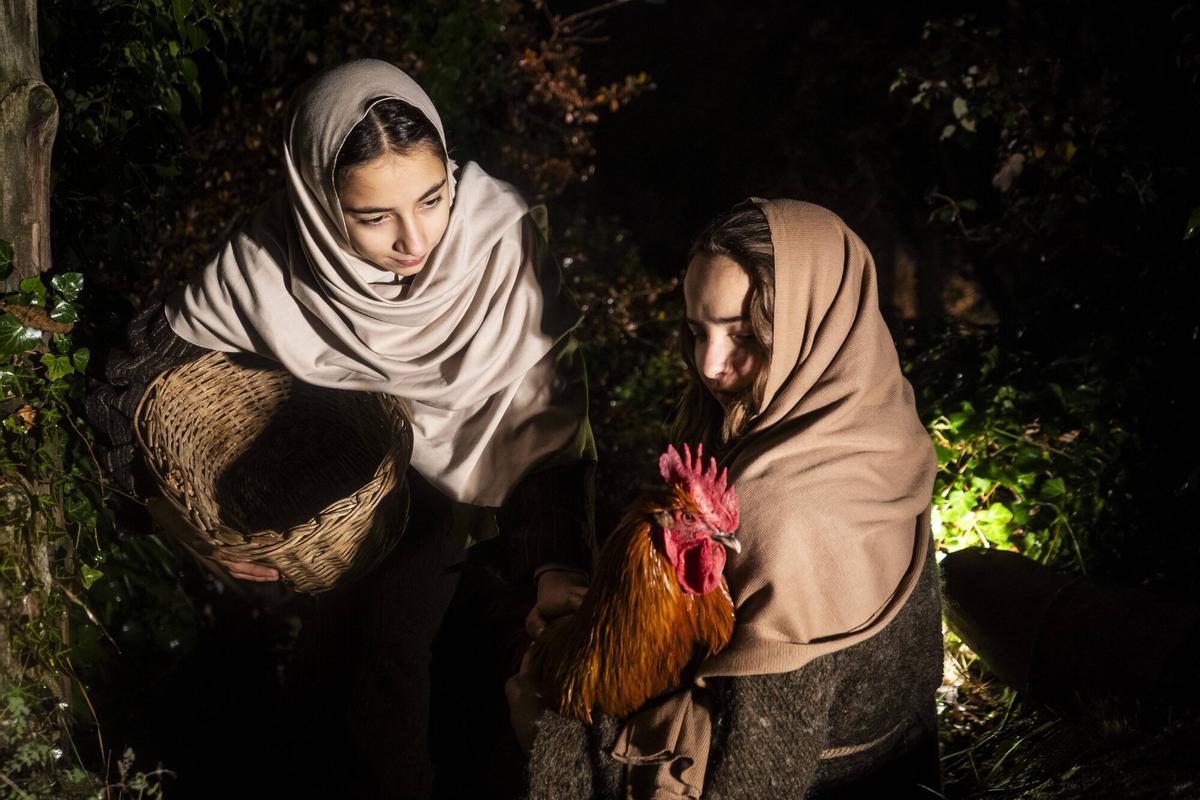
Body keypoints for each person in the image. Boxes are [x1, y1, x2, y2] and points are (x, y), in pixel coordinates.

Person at [87, 59, 595, 797]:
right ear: (320, 205)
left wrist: (554, 564)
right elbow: (129, 383)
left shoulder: (500, 241)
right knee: (340, 691)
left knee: (420, 686)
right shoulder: (266, 261)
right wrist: (175, 520)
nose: (415, 240)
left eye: (432, 198)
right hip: (348, 508)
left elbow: (546, 421)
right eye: (373, 216)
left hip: (490, 523)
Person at [516, 199, 943, 798]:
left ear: (813, 323)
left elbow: (754, 777)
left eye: (743, 334)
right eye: (697, 331)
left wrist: (554, 732)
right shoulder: (874, 422)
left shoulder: (782, 513)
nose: (710, 364)